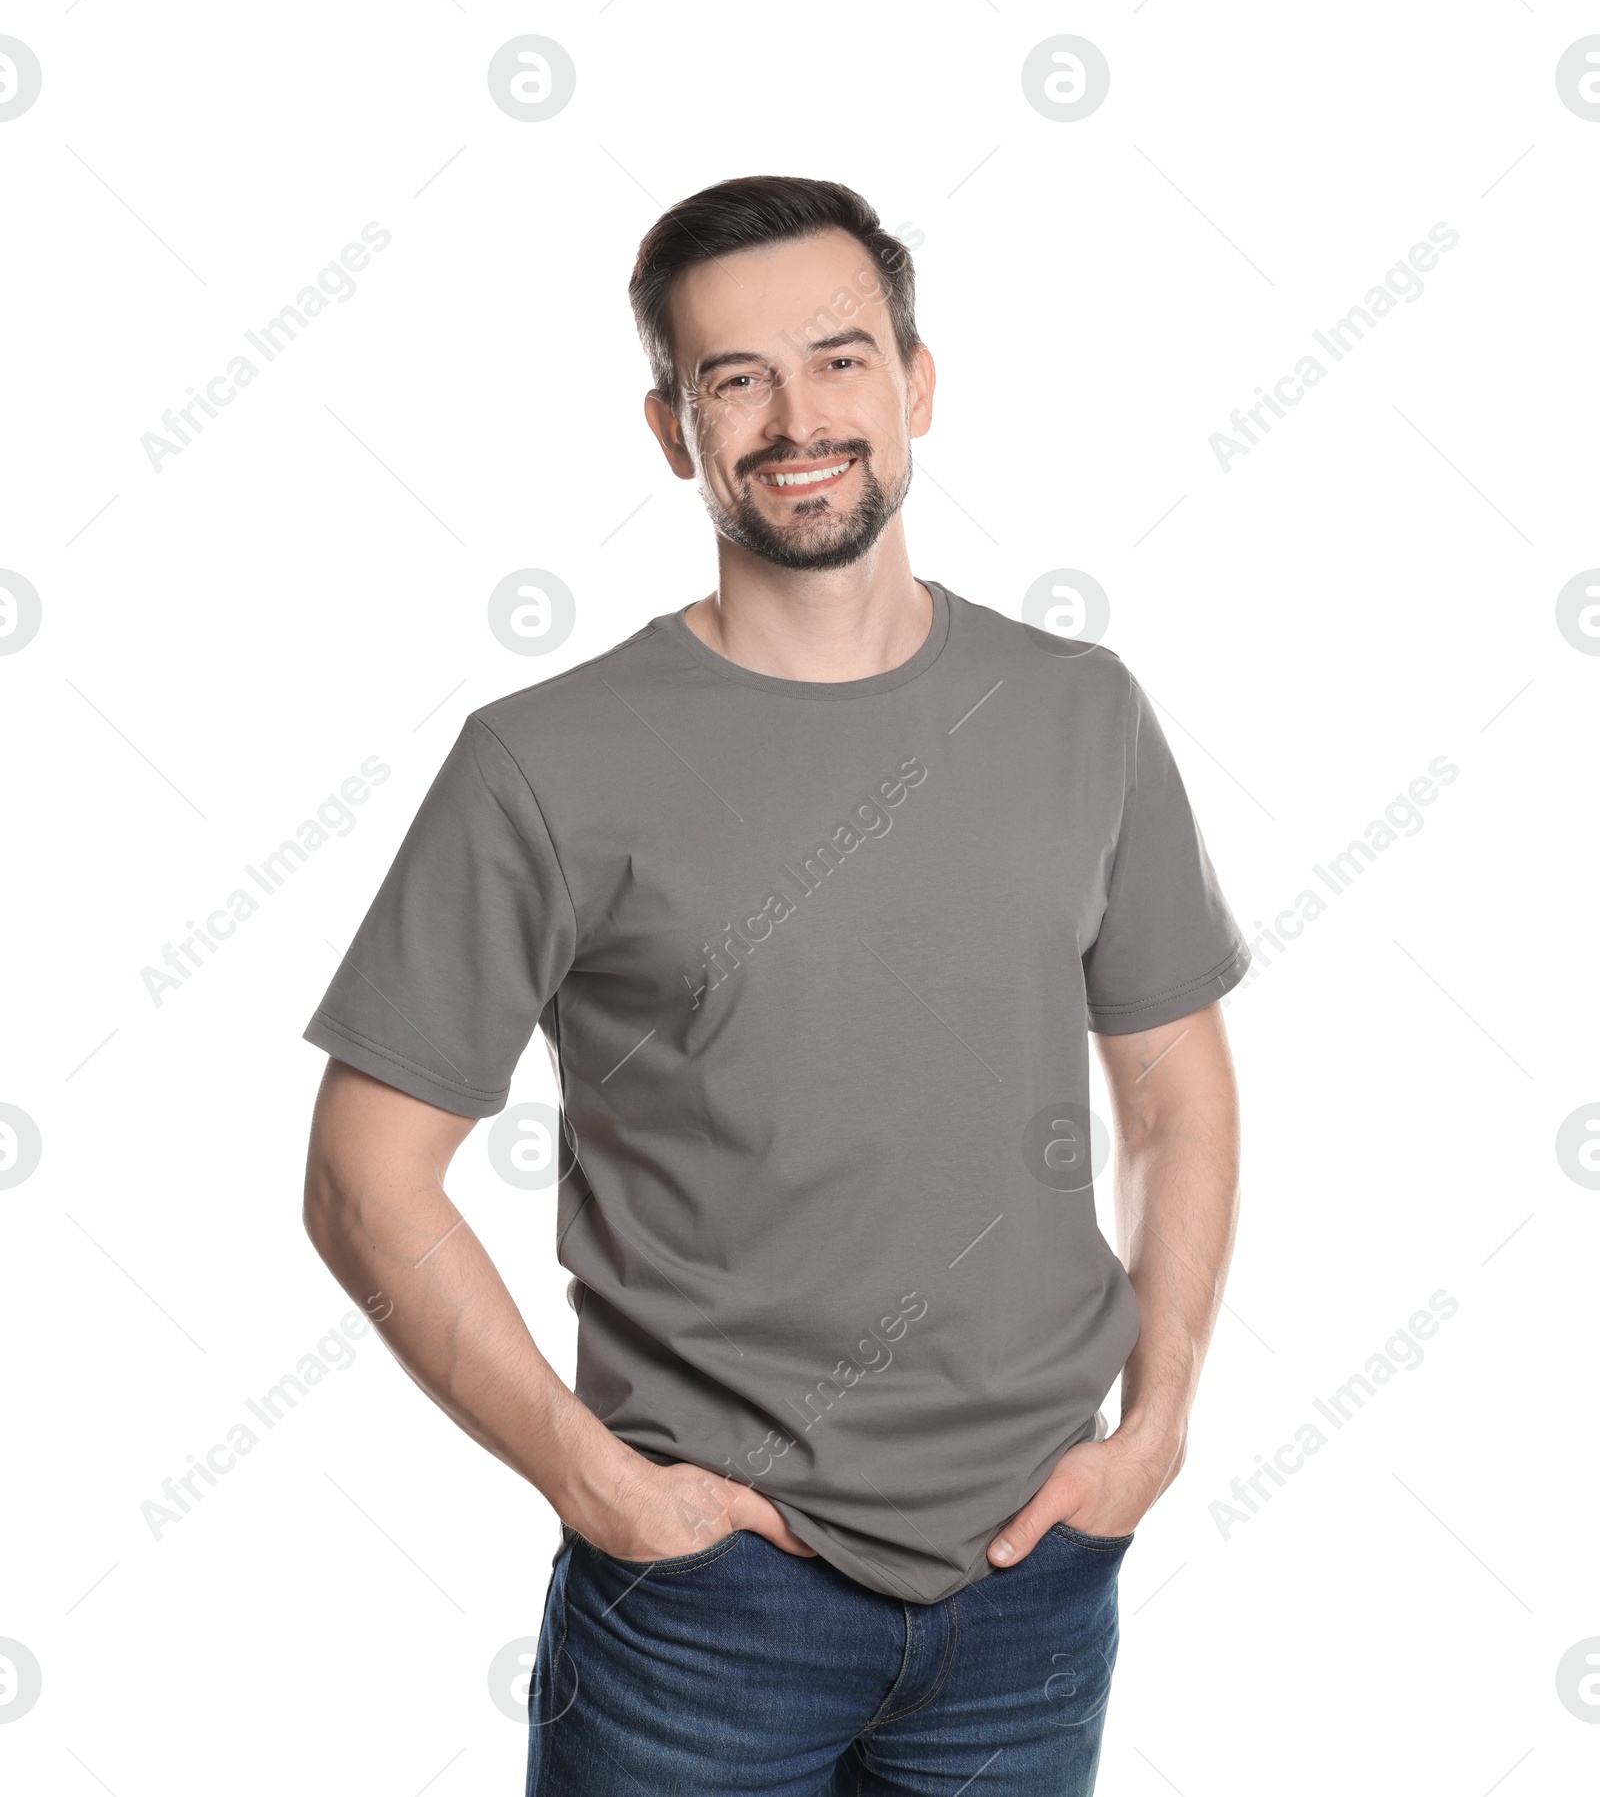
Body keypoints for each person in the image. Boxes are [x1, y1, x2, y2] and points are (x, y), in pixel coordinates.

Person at [301, 175, 1249, 1795]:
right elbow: (362, 1180)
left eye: (839, 358)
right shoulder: (544, 761)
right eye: (733, 378)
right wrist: (604, 1492)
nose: (795, 416)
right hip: (704, 1610)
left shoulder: (1082, 709)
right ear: (673, 428)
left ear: (916, 382)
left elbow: (1174, 1085)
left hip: (1035, 1587)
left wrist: (1152, 1427)